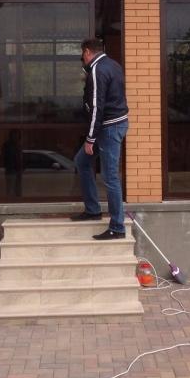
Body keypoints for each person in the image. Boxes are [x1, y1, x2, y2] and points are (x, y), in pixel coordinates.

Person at [70, 38, 129, 240]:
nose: (82, 58)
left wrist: (90, 138)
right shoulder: (113, 65)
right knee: (81, 161)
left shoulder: (97, 69)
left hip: (109, 128)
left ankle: (117, 228)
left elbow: (97, 107)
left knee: (110, 176)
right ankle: (93, 210)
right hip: (112, 125)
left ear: (87, 52)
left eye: (82, 54)